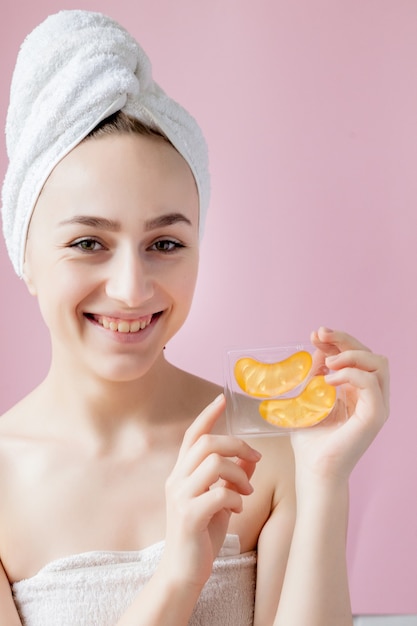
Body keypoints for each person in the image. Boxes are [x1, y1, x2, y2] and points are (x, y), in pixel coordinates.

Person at [0, 10, 389, 626]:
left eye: (165, 244)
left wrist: (324, 481)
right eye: (87, 243)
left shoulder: (264, 448)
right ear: (24, 255)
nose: (131, 289)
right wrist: (179, 574)